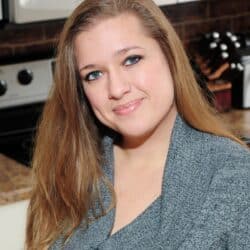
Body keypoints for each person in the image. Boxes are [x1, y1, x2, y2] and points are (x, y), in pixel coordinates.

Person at [25, 0, 250, 249]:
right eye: (94, 74)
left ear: (169, 55)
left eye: (131, 59)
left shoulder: (234, 176)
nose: (117, 89)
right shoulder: (70, 171)